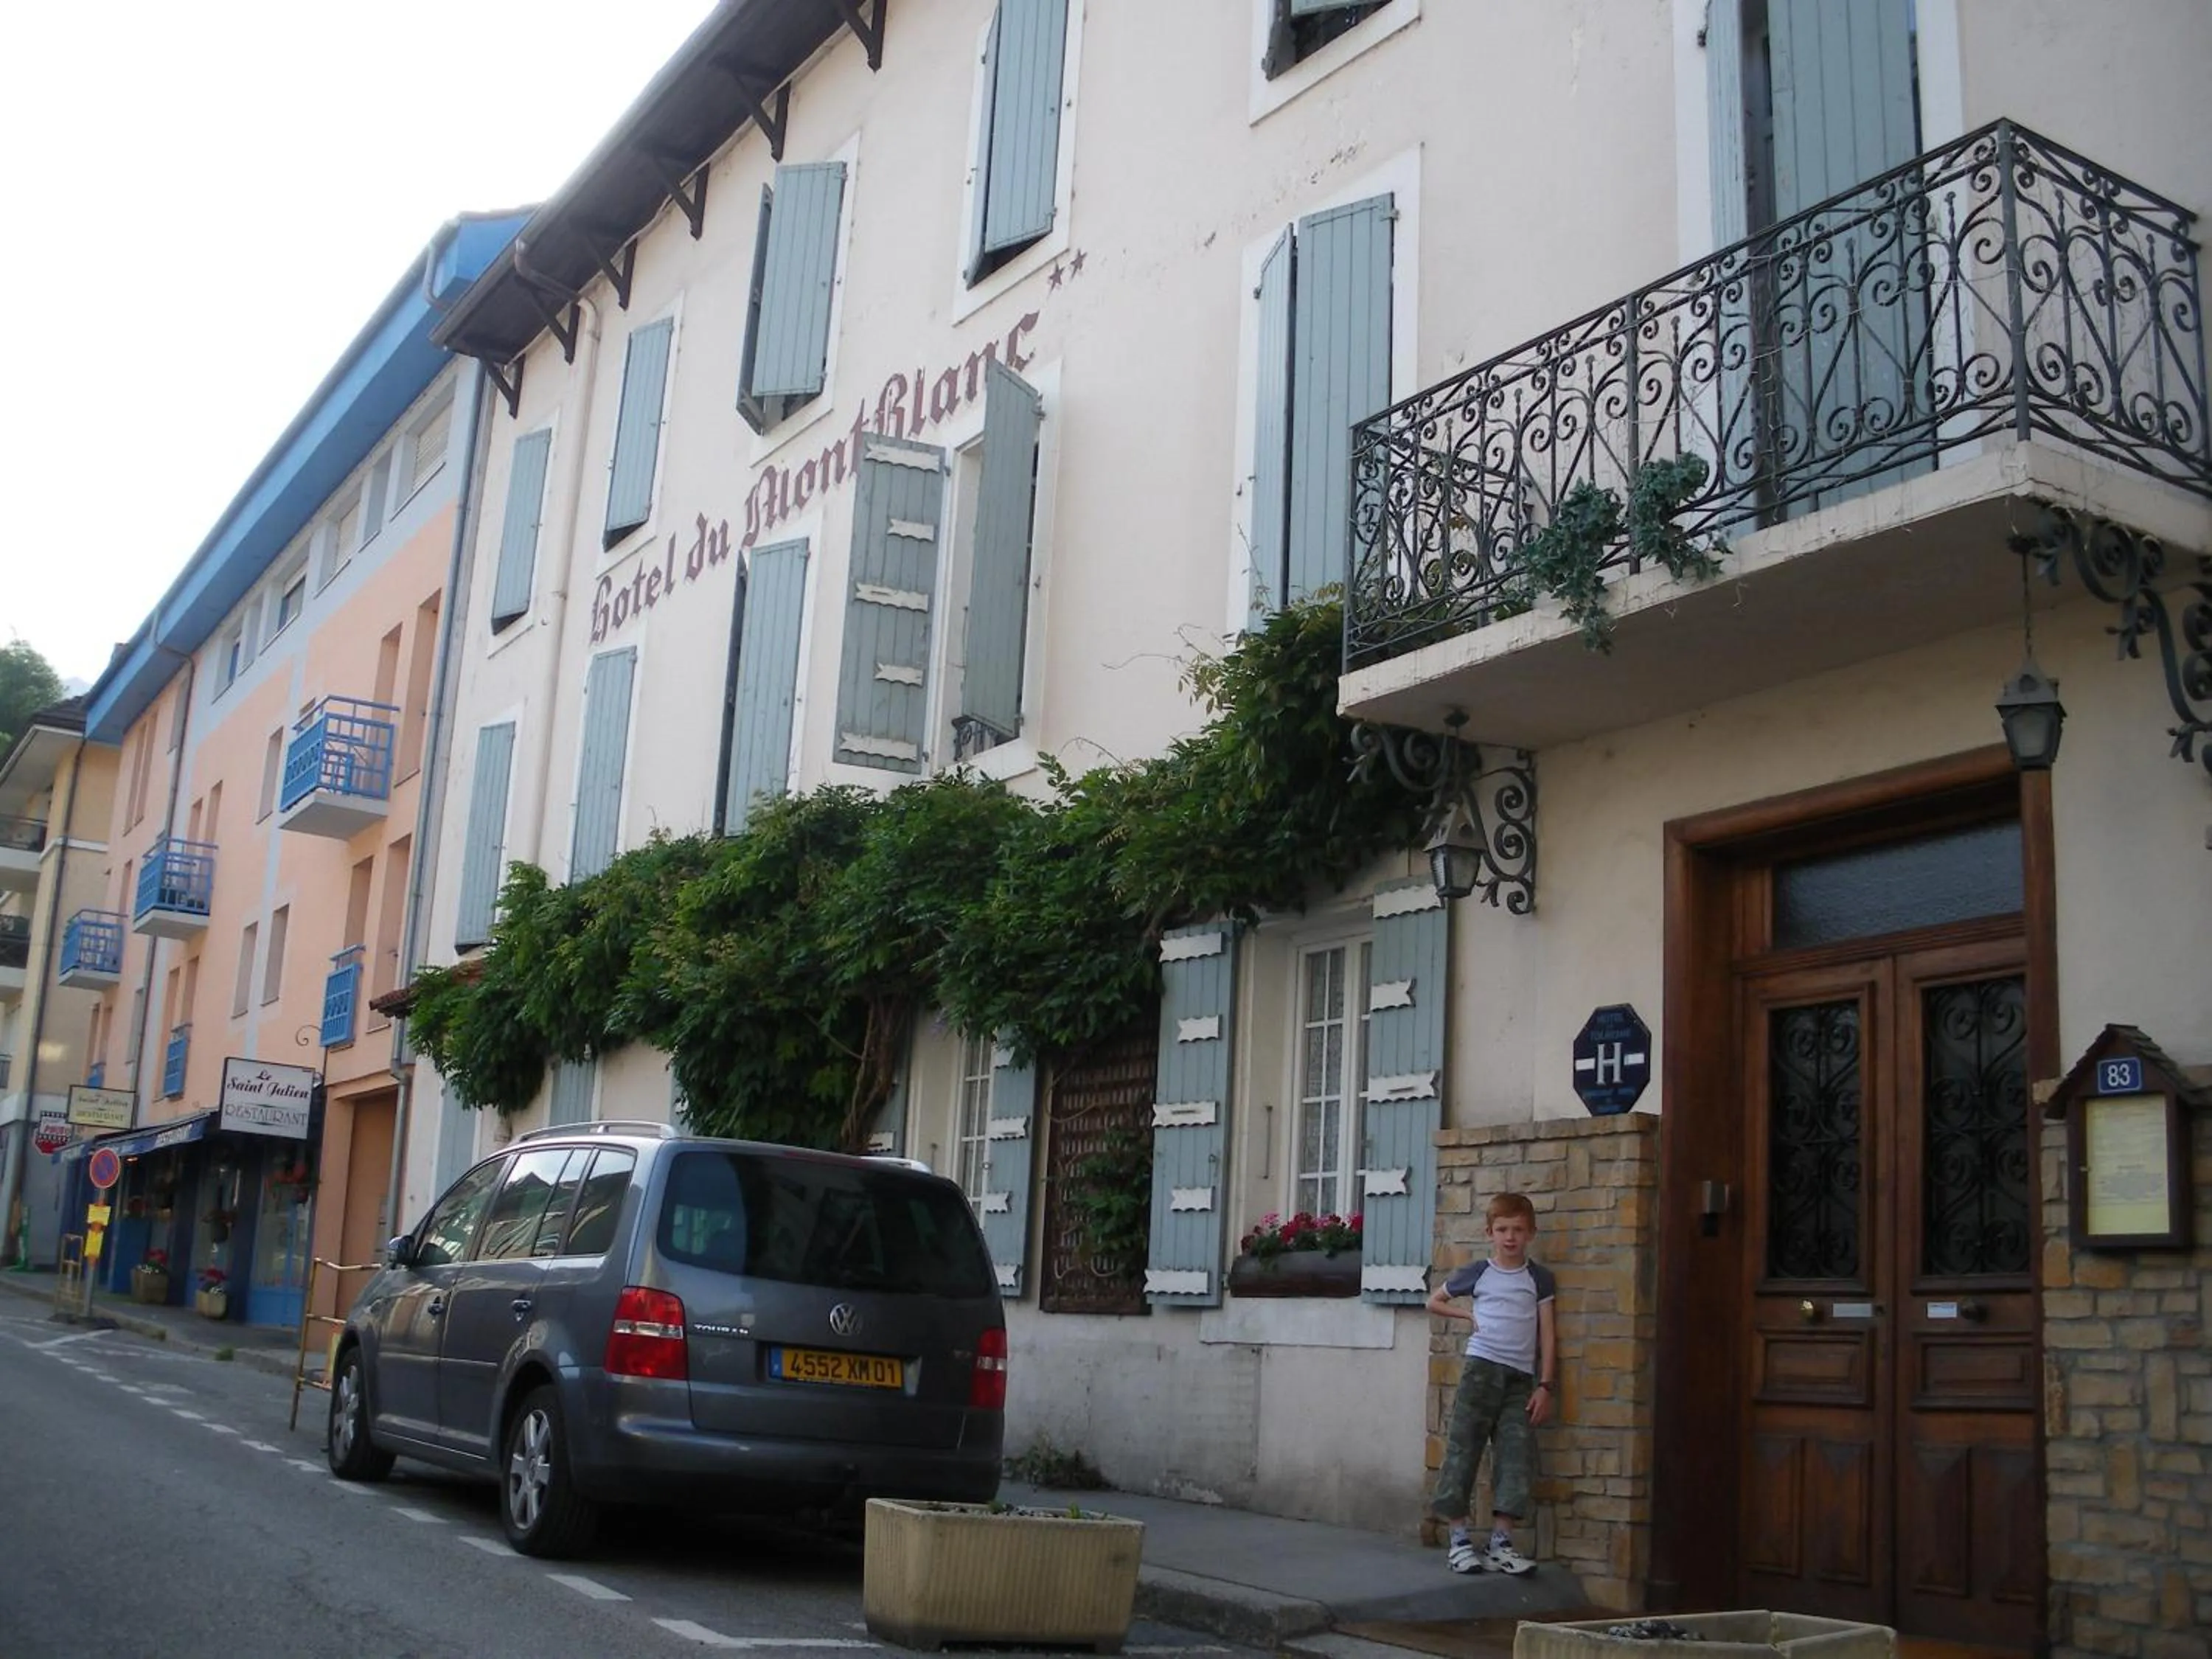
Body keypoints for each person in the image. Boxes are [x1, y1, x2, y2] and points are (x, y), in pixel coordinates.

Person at [1425, 1191, 1556, 1576]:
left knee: (1516, 1455)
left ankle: (1501, 1542)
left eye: (1517, 1229)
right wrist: (1466, 1317)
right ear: (1490, 1233)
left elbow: (1548, 1334)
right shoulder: (1479, 1272)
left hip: (1520, 1380)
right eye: (1502, 1229)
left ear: (1530, 1233)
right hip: (1481, 1370)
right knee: (1464, 1448)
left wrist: (1545, 1384)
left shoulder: (1539, 1278)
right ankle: (1459, 1539)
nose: (1510, 1237)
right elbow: (1434, 1301)